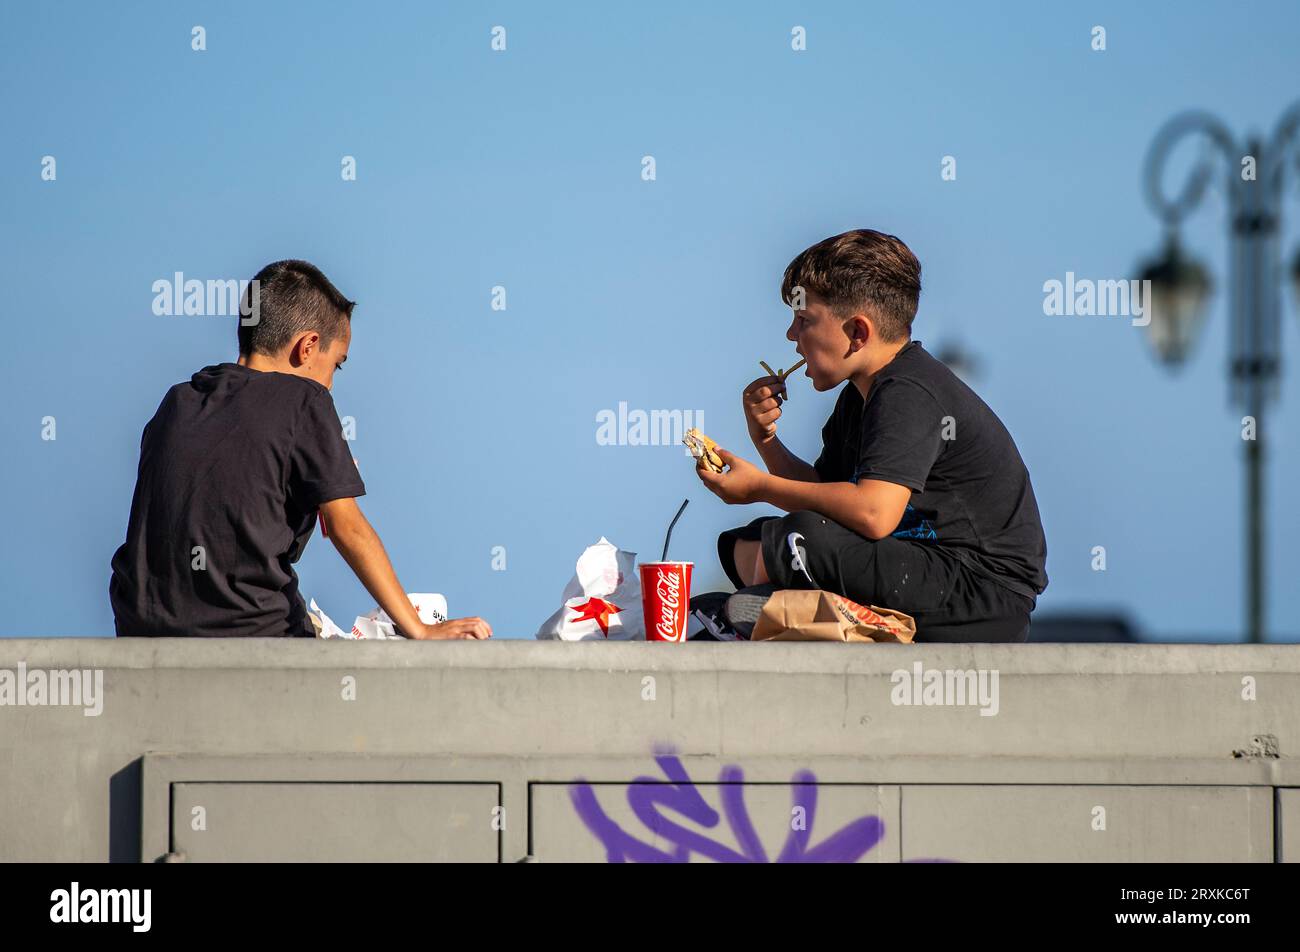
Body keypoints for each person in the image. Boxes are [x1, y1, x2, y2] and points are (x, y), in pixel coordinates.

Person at [110, 259, 491, 640]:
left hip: (142, 629)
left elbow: (225, 524)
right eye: (336, 365)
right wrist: (420, 630)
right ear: (308, 346)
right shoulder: (303, 400)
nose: (330, 383)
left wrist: (311, 489)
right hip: (254, 633)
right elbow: (349, 529)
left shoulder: (178, 402)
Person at [696, 229, 1047, 642]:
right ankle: (801, 612)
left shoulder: (908, 391)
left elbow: (873, 515)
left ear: (858, 333)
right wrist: (766, 440)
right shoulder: (858, 399)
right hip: (919, 569)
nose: (792, 336)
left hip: (982, 594)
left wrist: (760, 486)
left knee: (796, 538)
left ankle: (777, 617)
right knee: (748, 539)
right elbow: (828, 495)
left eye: (804, 320)